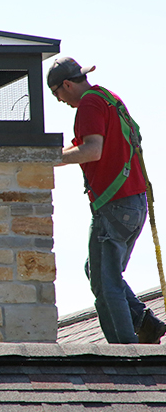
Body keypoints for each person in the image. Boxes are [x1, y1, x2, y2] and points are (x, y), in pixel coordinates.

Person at [48, 57, 166, 344]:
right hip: (134, 203)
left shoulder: (89, 104)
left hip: (115, 206)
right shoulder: (108, 98)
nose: (59, 100)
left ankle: (126, 350)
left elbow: (92, 150)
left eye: (56, 94)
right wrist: (59, 152)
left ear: (66, 84)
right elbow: (86, 145)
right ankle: (143, 322)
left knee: (105, 281)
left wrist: (47, 159)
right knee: (98, 270)